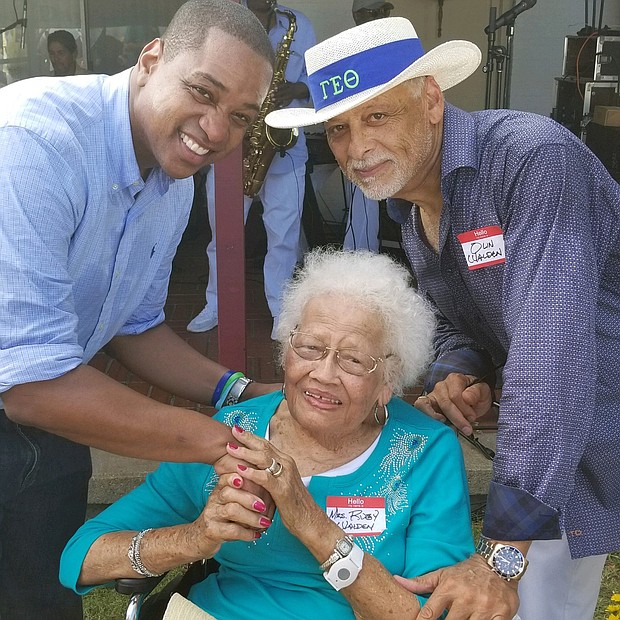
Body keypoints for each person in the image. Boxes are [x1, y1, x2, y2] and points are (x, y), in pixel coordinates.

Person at [265, 16, 620, 620]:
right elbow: (465, 319)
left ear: (431, 100)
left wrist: (502, 556)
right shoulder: (415, 209)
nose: (356, 149)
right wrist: (457, 370)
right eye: (339, 130)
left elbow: (549, 355)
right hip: (570, 443)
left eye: (377, 116)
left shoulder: (530, 161)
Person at [0, 1, 278, 617]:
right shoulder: (33, 141)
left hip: (51, 424)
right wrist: (223, 441)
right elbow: (26, 382)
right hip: (30, 398)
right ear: (151, 59)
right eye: (202, 92)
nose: (214, 130)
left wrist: (243, 390)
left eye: (240, 117)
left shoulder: (172, 175)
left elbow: (135, 325)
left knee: (44, 593)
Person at [60, 248, 474, 619]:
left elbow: (430, 614)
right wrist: (195, 538)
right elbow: (80, 556)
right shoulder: (234, 434)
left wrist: (311, 521)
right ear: (286, 351)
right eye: (310, 348)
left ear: (389, 380)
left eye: (352, 360)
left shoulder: (424, 451)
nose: (323, 374)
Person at [187, 0, 316, 339]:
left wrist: (297, 89)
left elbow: (319, 80)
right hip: (231, 146)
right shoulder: (224, 23)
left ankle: (281, 313)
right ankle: (217, 305)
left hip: (284, 149)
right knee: (223, 238)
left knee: (284, 240)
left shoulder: (298, 25)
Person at [341, 0, 394, 252]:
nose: (384, 16)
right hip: (365, 139)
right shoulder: (347, 51)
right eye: (377, 12)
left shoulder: (391, 45)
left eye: (386, 10)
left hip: (396, 135)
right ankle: (360, 258)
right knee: (365, 199)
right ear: (359, 16)